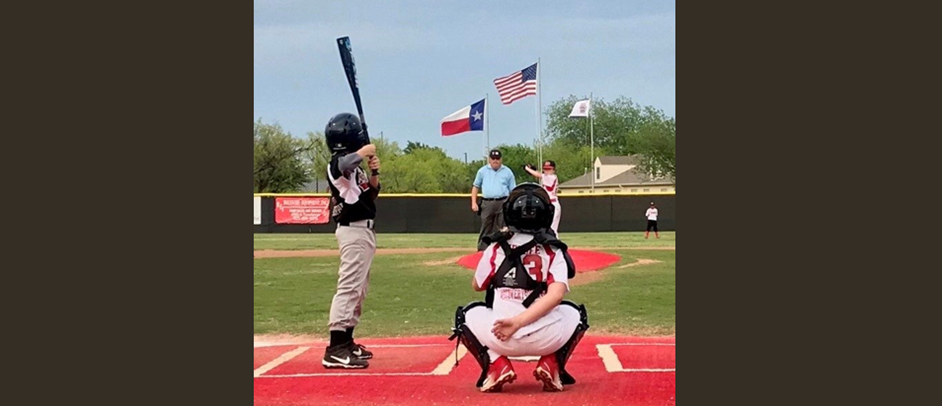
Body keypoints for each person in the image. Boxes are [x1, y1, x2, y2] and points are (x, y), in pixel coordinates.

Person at [449, 183, 589, 393]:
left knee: (466, 314)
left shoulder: (495, 248)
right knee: (575, 313)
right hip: (546, 338)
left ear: (508, 212)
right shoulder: (553, 250)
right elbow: (556, 295)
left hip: (500, 335)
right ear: (547, 214)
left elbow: (477, 286)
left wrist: (510, 308)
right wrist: (520, 321)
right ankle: (551, 364)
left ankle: (496, 365)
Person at [321, 112, 381, 369]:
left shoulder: (354, 170)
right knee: (349, 287)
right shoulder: (337, 164)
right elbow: (343, 164)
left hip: (364, 230)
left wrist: (374, 172)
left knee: (359, 289)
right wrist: (365, 150)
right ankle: (335, 347)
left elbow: (369, 197)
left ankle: (347, 341)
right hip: (352, 231)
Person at [471, 149, 516, 251]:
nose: (495, 161)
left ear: (501, 159)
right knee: (486, 225)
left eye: (497, 159)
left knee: (503, 227)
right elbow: (475, 187)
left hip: (503, 201)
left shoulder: (507, 172)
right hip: (487, 202)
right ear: (489, 159)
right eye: (493, 159)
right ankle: (482, 249)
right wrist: (473, 202)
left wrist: (511, 204)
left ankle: (503, 249)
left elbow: (513, 190)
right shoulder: (482, 171)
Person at [524, 160, 561, 236]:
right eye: (545, 169)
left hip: (553, 204)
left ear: (554, 170)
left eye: (549, 169)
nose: (547, 171)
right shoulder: (547, 177)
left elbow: (539, 175)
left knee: (552, 229)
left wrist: (527, 169)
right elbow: (540, 174)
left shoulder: (552, 177)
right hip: (547, 204)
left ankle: (555, 245)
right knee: (546, 228)